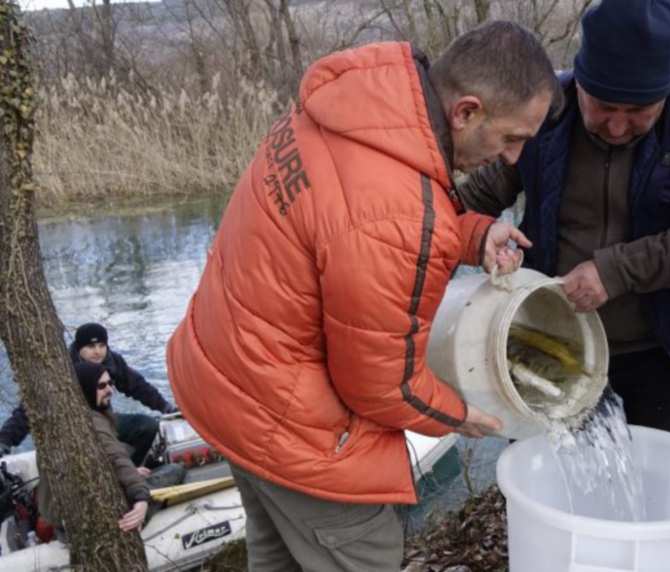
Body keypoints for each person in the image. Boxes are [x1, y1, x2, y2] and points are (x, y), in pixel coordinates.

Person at [166, 21, 560, 571]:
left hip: (223, 382)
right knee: (367, 551)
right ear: (466, 112)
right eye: (512, 138)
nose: (514, 158)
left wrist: (474, 233)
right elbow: (383, 387)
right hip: (295, 428)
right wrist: (464, 414)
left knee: (276, 556)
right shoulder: (397, 208)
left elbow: (350, 222)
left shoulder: (359, 107)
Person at [457, 0, 670, 438]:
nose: (617, 127)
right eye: (602, 107)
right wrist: (474, 233)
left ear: (666, 93)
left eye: (639, 112)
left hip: (659, 352)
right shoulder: (543, 112)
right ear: (579, 84)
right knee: (546, 489)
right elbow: (474, 198)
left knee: (659, 491)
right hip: (542, 342)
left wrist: (615, 270)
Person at [0, 322, 175, 466]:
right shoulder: (62, 369)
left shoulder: (112, 361)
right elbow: (29, 409)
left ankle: (133, 469)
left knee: (147, 426)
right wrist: (5, 440)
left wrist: (165, 407)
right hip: (74, 429)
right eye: (91, 346)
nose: (97, 351)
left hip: (105, 420)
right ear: (79, 348)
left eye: (101, 345)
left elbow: (138, 386)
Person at [37, 361, 151, 534]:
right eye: (102, 385)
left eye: (110, 383)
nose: (110, 390)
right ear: (84, 389)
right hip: (83, 516)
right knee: (171, 471)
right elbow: (115, 456)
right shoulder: (91, 422)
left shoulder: (60, 419)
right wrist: (141, 497)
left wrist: (132, 471)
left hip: (60, 514)